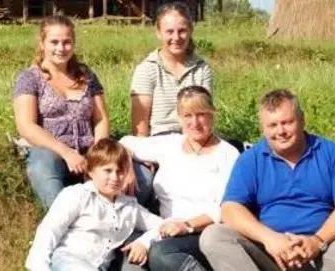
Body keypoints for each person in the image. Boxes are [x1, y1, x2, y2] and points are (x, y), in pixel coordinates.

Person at [200, 89, 335, 271]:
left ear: (302, 120)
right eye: (273, 125)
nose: (281, 131)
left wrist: (317, 241)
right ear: (263, 128)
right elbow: (230, 209)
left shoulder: (331, 153)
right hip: (269, 251)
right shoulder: (251, 159)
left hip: (324, 247)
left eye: (287, 122)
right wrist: (271, 239)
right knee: (214, 236)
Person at [120, 86, 240, 271]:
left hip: (204, 232)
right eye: (188, 115)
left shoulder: (228, 154)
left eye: (201, 114)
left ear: (212, 114)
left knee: (162, 255)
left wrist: (187, 226)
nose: (195, 122)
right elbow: (125, 142)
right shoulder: (171, 144)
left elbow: (224, 208)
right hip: (165, 228)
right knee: (130, 255)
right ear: (179, 117)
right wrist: (127, 166)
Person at [12, 15, 110, 209]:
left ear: (73, 44)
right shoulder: (29, 78)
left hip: (88, 149)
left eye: (66, 42)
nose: (61, 48)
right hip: (52, 150)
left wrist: (97, 155)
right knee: (42, 165)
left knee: (132, 174)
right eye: (54, 42)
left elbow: (101, 119)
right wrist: (66, 152)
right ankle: (64, 221)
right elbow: (26, 126)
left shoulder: (86, 75)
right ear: (42, 44)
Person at [25, 138, 163, 271]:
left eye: (120, 172)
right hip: (69, 259)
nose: (115, 177)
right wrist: (40, 267)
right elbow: (50, 230)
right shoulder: (78, 195)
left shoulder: (129, 206)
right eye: (108, 171)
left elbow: (164, 225)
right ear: (91, 171)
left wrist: (144, 242)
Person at [130, 1, 213, 137]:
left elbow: (205, 117)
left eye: (182, 31)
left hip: (194, 139)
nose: (176, 37)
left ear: (190, 31)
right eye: (169, 31)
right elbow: (140, 128)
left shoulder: (202, 69)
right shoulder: (146, 69)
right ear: (159, 32)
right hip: (157, 143)